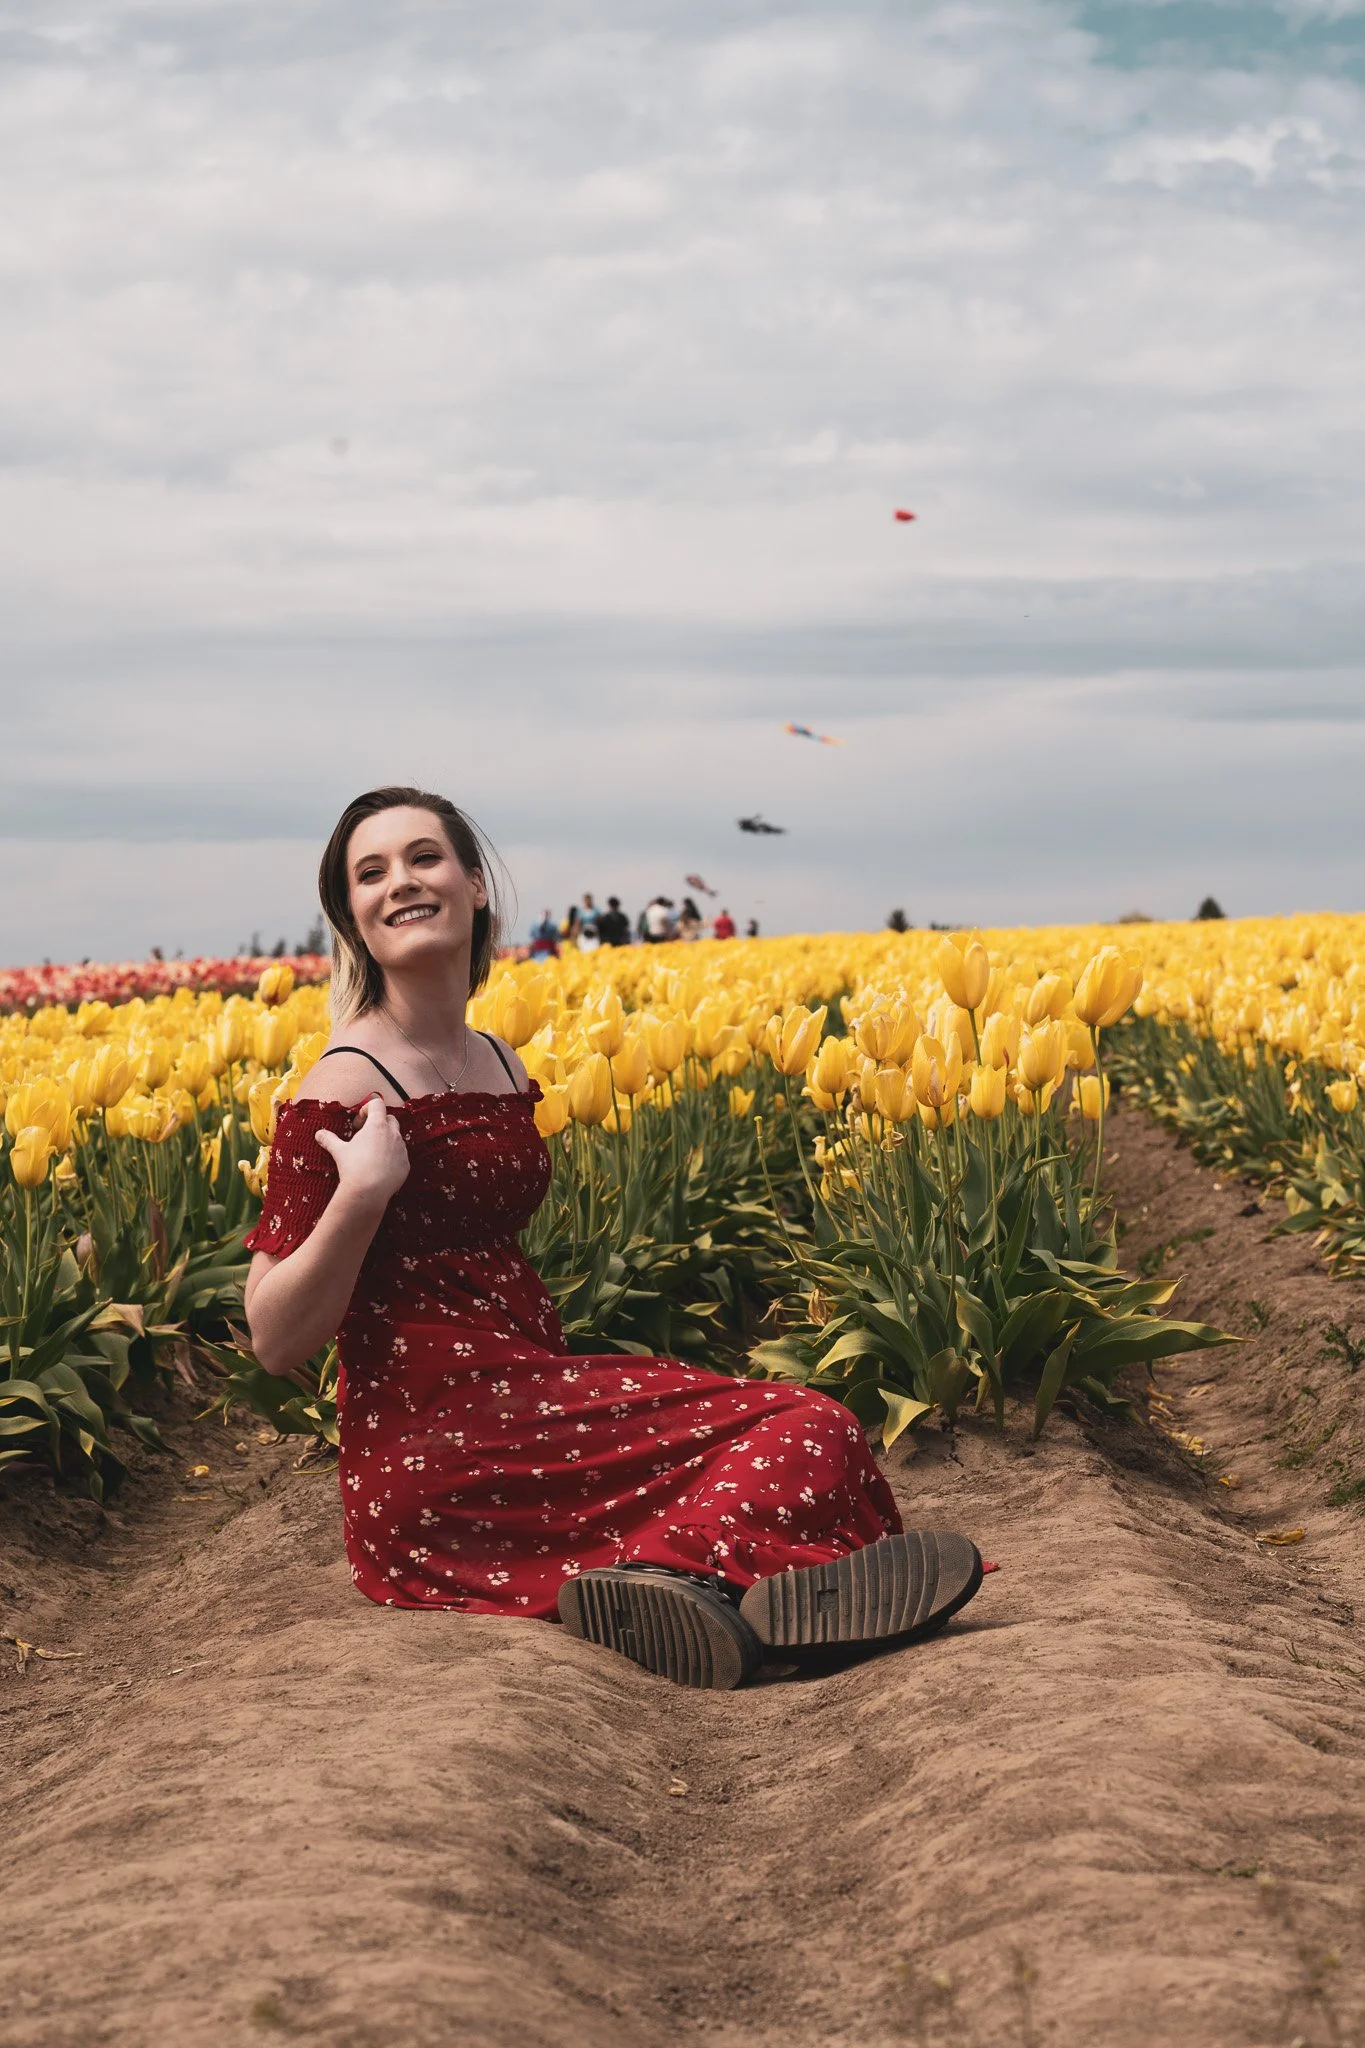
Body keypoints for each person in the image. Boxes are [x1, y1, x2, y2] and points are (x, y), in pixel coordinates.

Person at [243, 785, 984, 1690]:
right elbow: (275, 1338)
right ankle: (700, 1578)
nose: (401, 882)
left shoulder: (494, 1057)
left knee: (812, 1427)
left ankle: (692, 1587)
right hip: (436, 1448)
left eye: (423, 858)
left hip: (529, 1394)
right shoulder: (339, 1084)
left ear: (476, 886)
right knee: (807, 1423)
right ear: (352, 918)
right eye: (371, 872)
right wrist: (359, 1199)